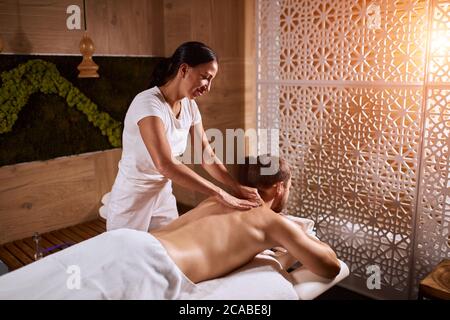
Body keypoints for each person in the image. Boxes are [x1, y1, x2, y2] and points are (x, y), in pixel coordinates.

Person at [106, 41, 262, 232]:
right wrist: (220, 193)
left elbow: (206, 155)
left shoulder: (189, 106)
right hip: (132, 198)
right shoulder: (148, 104)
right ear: (184, 69)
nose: (208, 87)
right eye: (205, 77)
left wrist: (235, 187)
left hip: (162, 195)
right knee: (125, 259)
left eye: (211, 80)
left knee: (168, 251)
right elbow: (166, 164)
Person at [151, 155, 341, 284]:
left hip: (136, 242)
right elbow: (331, 266)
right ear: (279, 187)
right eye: (290, 187)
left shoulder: (214, 201)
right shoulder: (270, 221)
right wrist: (297, 240)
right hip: (154, 267)